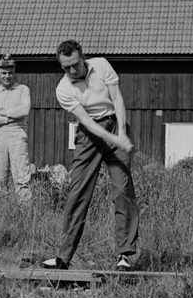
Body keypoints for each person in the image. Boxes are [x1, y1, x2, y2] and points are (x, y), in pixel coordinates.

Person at [43, 40, 139, 271]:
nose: (72, 71)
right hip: (90, 135)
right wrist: (116, 140)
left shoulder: (102, 65)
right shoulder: (63, 89)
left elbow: (117, 98)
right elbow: (85, 120)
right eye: (65, 68)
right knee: (78, 193)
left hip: (116, 125)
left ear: (83, 57)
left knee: (122, 191)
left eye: (75, 65)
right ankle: (63, 257)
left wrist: (122, 133)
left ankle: (124, 255)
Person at [0, 54, 32, 200]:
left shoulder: (23, 90)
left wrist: (3, 113)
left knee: (21, 176)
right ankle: (3, 212)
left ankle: (25, 211)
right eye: (4, 73)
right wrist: (10, 118)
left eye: (10, 72)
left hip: (17, 134)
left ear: (14, 72)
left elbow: (24, 110)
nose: (7, 76)